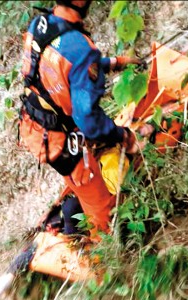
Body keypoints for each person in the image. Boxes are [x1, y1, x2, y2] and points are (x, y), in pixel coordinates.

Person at [17, 0, 148, 238]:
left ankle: (72, 211)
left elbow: (60, 68)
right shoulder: (79, 48)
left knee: (87, 173)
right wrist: (124, 136)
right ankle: (101, 254)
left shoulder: (41, 24)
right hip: (58, 140)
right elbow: (88, 120)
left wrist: (113, 63)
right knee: (102, 208)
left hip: (35, 123)